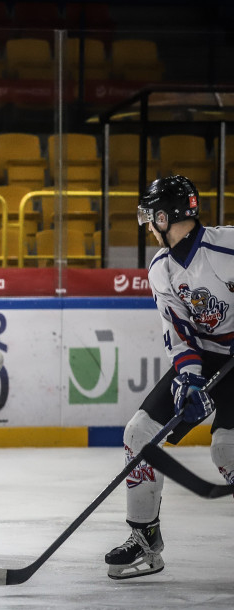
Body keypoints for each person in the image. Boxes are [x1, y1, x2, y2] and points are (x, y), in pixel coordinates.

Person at [105, 175, 234, 580]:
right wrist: (190, 380)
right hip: (212, 359)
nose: (147, 226)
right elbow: (179, 334)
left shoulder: (227, 245)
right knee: (138, 433)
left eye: (150, 218)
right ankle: (145, 539)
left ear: (166, 215)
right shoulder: (161, 269)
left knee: (226, 451)